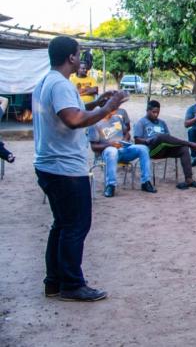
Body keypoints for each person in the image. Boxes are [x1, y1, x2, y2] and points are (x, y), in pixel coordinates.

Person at [33, 36, 129, 301]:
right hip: (65, 168)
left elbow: (69, 112)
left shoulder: (46, 82)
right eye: (79, 54)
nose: (81, 59)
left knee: (62, 225)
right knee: (76, 226)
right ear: (71, 58)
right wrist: (110, 107)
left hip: (50, 164)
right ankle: (72, 285)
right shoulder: (61, 85)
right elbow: (74, 119)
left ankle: (54, 282)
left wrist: (97, 105)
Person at [133, 100, 196, 190]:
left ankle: (188, 179)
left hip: (164, 149)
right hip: (152, 150)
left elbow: (168, 139)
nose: (156, 115)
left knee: (183, 149)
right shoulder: (141, 122)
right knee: (160, 137)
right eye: (153, 112)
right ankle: (190, 144)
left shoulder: (162, 122)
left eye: (157, 112)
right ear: (147, 110)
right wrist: (148, 140)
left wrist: (164, 139)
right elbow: (136, 140)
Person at [89, 105, 156, 198]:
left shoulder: (117, 119)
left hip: (123, 149)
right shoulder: (95, 124)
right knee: (112, 151)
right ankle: (110, 185)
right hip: (106, 152)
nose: (115, 109)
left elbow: (126, 133)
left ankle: (146, 182)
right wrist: (110, 144)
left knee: (143, 149)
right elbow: (93, 146)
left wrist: (124, 141)